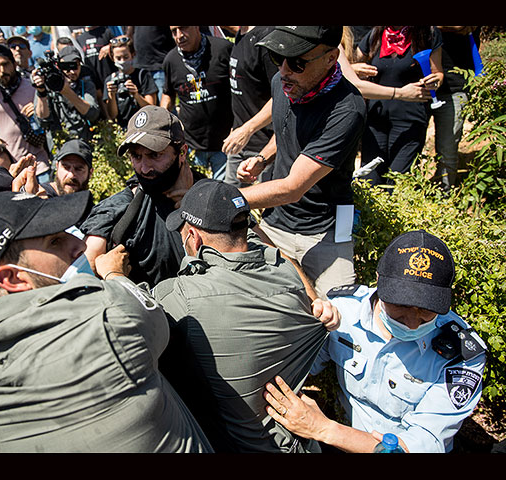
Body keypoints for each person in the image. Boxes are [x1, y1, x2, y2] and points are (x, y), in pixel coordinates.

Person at [0, 189, 213, 453]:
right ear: (13, 278)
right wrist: (114, 274)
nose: (79, 245)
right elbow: (153, 317)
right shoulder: (110, 317)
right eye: (54, 242)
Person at [153, 178, 340, 453]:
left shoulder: (180, 296)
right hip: (301, 443)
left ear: (193, 236)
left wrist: (113, 272)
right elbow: (272, 253)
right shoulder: (287, 275)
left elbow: (131, 316)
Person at [263, 230, 487, 453]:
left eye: (426, 311)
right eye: (400, 306)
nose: (411, 323)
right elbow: (303, 368)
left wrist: (322, 429)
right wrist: (305, 327)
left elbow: (424, 443)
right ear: (379, 281)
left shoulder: (463, 356)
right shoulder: (345, 312)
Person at [237, 26, 367, 297]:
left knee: (338, 315)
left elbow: (294, 187)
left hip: (326, 233)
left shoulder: (347, 109)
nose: (284, 70)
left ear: (332, 58)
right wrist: (263, 158)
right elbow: (287, 127)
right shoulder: (284, 83)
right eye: (277, 58)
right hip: (276, 222)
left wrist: (228, 198)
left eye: (297, 62)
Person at [80, 105, 206, 288]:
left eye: (155, 155)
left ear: (182, 152)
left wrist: (199, 207)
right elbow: (83, 274)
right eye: (136, 157)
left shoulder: (212, 195)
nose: (144, 168)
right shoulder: (121, 209)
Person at [355, 26, 444, 185]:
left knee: (399, 180)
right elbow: (350, 66)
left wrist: (435, 80)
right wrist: (355, 69)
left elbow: (438, 73)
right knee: (370, 178)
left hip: (410, 117)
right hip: (376, 119)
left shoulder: (427, 33)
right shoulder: (376, 34)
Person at [161, 26, 234, 180]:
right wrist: (161, 123)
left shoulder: (222, 49)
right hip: (192, 146)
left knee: (224, 195)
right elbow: (168, 95)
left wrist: (240, 127)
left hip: (226, 143)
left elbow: (240, 91)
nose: (179, 36)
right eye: (174, 31)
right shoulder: (171, 60)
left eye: (183, 28)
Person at [0, 44, 51, 182]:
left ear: (13, 63)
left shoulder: (31, 86)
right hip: (12, 169)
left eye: (5, 64)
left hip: (39, 163)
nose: (2, 71)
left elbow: (48, 116)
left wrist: (37, 107)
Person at [222, 26, 278, 187]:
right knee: (229, 206)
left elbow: (281, 96)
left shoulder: (266, 38)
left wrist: (248, 129)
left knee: (262, 209)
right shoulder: (241, 35)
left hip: (264, 149)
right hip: (238, 146)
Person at [431, 26, 481, 191]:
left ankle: (443, 197)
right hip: (417, 85)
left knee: (447, 150)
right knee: (410, 145)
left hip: (454, 86)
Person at [32, 46, 100, 145]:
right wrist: (41, 92)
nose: (72, 72)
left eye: (75, 66)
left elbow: (92, 114)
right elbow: (43, 121)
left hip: (84, 144)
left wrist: (66, 91)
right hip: (60, 148)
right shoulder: (47, 86)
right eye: (67, 66)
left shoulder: (86, 85)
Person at [103, 36, 158, 128]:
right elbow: (112, 115)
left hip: (144, 126)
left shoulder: (142, 75)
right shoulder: (110, 80)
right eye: (118, 58)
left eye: (126, 57)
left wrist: (136, 95)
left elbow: (152, 108)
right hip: (124, 127)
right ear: (112, 58)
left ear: (132, 55)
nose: (122, 61)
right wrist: (111, 95)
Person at [40, 138, 94, 204]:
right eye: (66, 167)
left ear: (90, 173)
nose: (71, 175)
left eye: (78, 169)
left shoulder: (88, 205)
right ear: (57, 167)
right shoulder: (42, 197)